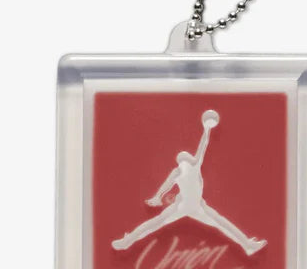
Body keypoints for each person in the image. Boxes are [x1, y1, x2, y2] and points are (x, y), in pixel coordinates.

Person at [112, 110, 267, 256]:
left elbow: (201, 147)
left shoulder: (186, 168)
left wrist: (157, 197)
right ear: (182, 160)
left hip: (194, 206)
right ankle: (127, 241)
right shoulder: (186, 169)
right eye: (185, 156)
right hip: (188, 206)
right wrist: (206, 129)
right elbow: (201, 147)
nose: (188, 157)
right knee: (221, 224)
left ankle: (248, 245)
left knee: (220, 223)